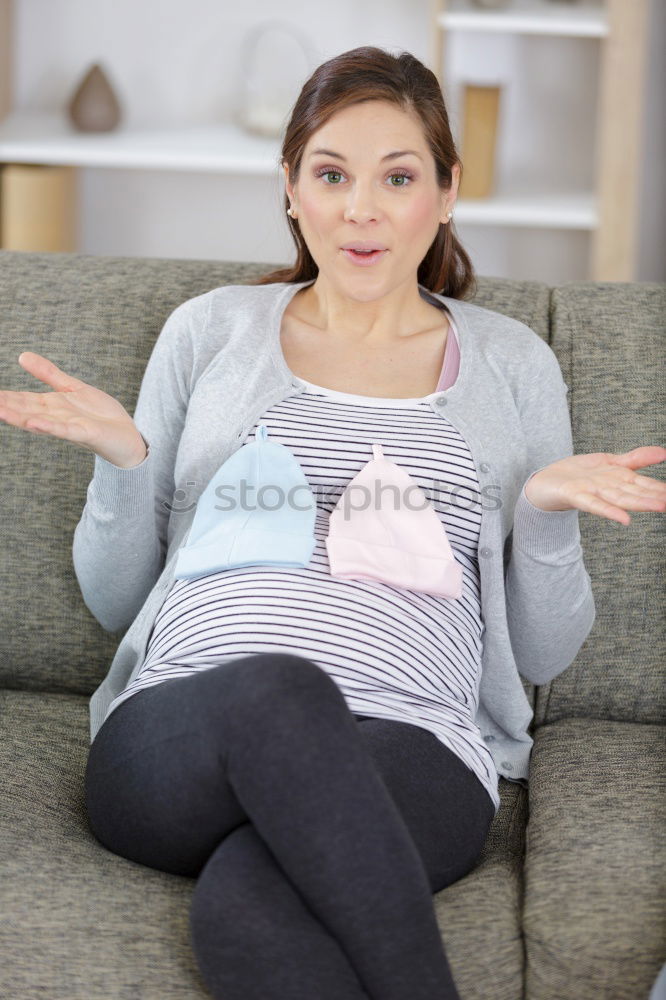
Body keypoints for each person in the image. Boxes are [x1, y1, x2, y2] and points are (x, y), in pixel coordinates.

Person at [1, 45, 665, 1000]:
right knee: (279, 691)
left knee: (248, 905)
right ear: (290, 188)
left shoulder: (513, 366)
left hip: (416, 747)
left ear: (446, 192)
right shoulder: (211, 332)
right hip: (183, 734)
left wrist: (544, 515)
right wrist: (126, 465)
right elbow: (115, 605)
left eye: (398, 177)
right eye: (331, 174)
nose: (362, 209)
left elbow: (547, 655)